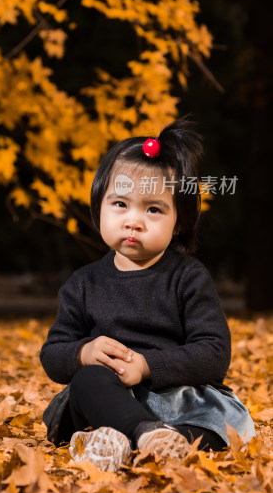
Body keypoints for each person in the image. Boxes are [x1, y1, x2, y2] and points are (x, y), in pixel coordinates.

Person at [40, 117, 255, 472]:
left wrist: (146, 366)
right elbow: (53, 354)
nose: (133, 221)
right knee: (89, 380)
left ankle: (143, 441)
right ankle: (141, 434)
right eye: (120, 204)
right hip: (106, 398)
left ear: (179, 222)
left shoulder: (188, 277)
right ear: (99, 206)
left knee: (228, 425)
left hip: (178, 398)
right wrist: (84, 352)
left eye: (153, 209)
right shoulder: (84, 283)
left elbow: (214, 352)